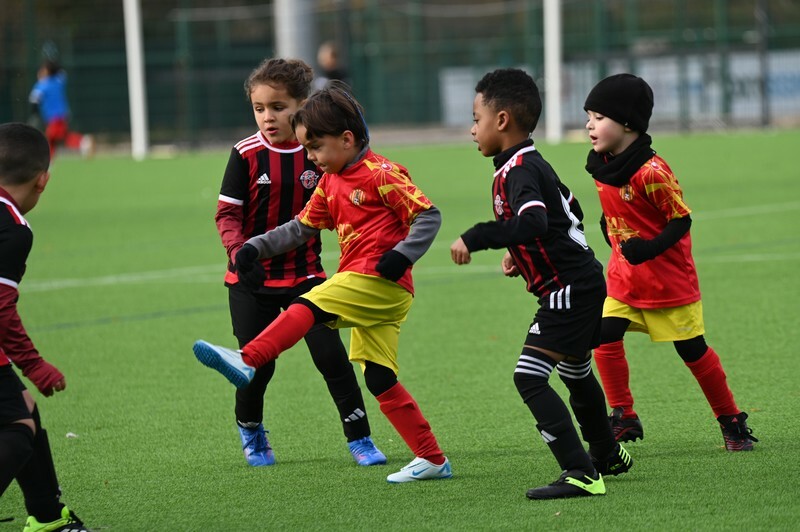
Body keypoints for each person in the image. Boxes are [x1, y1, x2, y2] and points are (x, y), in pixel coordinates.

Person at [194, 80, 452, 483]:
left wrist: (403, 255)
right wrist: (252, 248)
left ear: (347, 139)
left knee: (308, 305)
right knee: (379, 377)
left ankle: (248, 359)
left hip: (378, 280)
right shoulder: (330, 182)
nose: (311, 157)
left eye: (315, 148)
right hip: (366, 287)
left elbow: (428, 215)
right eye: (306, 149)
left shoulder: (380, 174)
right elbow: (299, 228)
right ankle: (432, 457)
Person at [450, 69, 632, 500]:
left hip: (568, 289)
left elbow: (534, 220)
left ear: (502, 120)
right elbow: (567, 212)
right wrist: (522, 252)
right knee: (575, 369)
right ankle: (606, 453)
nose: (472, 129)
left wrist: (477, 237)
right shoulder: (526, 164)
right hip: (580, 282)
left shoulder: (519, 170)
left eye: (476, 119)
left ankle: (581, 472)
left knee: (528, 377)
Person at [213, 58, 384, 467]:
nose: (267, 117)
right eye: (259, 108)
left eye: (278, 107)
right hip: (251, 279)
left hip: (306, 276)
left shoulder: (319, 153)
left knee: (331, 358)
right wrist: (238, 252)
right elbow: (227, 214)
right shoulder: (245, 154)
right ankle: (251, 431)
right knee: (258, 365)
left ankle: (360, 438)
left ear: (301, 105)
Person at [583, 73, 757, 451]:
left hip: (667, 280)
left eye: (598, 117)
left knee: (691, 350)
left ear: (627, 123)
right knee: (604, 335)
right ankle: (624, 415)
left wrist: (648, 249)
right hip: (625, 277)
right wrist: (607, 228)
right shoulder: (602, 164)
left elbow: (681, 220)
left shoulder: (653, 172)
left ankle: (731, 420)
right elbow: (616, 211)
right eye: (589, 117)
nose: (589, 126)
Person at [0, 123, 88, 531]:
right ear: (43, 181)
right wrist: (34, 365)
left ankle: (48, 518)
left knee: (25, 409)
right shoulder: (12, 228)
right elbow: (0, 309)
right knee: (17, 427)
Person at [28, 60, 94, 159]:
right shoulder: (59, 81)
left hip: (53, 117)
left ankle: (82, 142)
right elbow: (62, 72)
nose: (40, 72)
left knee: (52, 138)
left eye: (42, 70)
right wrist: (53, 65)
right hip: (63, 115)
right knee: (58, 138)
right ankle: (82, 143)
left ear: (47, 71)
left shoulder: (41, 85)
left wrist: (35, 114)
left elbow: (33, 99)